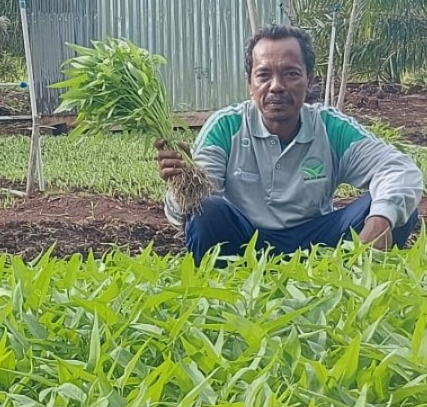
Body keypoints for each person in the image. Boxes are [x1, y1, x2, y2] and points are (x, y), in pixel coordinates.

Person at [157, 24, 423, 264]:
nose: (276, 86)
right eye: (263, 75)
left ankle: (345, 286)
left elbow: (399, 169)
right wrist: (183, 182)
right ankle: (220, 291)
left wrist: (379, 221)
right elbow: (189, 213)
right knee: (207, 210)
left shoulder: (329, 127)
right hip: (244, 241)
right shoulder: (226, 127)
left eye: (291, 74)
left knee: (393, 209)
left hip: (317, 243)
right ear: (250, 83)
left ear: (309, 80)